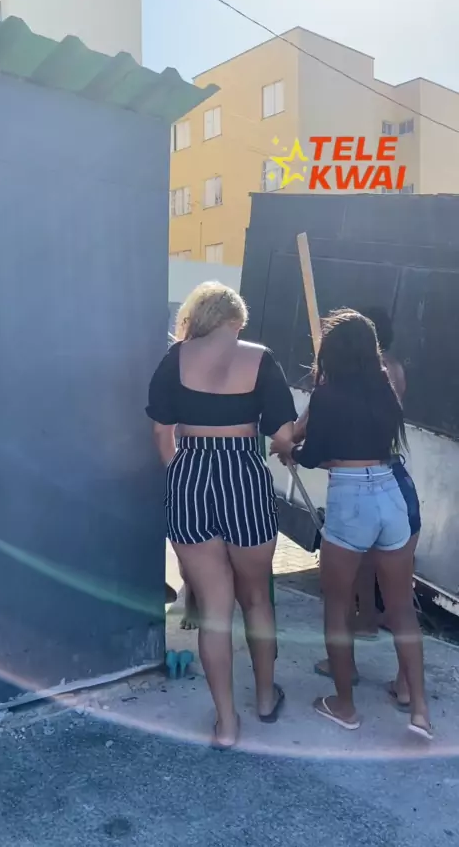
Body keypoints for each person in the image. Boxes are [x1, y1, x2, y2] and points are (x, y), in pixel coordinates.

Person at [146, 282, 297, 748]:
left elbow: (161, 434)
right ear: (236, 321)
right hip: (244, 474)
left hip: (190, 471)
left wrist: (182, 473)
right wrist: (284, 444)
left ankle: (227, 725)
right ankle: (266, 699)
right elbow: (284, 434)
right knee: (257, 599)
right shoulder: (261, 358)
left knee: (214, 609)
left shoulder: (175, 358)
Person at [271, 308, 431, 739]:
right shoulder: (384, 389)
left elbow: (314, 455)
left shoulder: (326, 396)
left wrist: (289, 452)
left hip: (351, 499)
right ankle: (419, 712)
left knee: (337, 608)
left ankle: (344, 705)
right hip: (391, 492)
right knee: (401, 607)